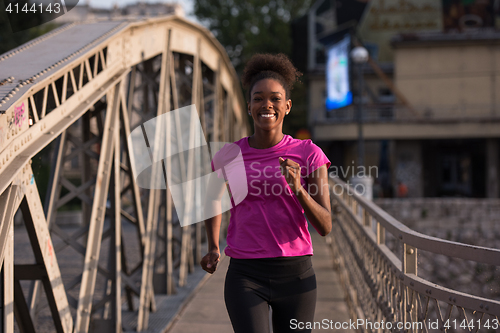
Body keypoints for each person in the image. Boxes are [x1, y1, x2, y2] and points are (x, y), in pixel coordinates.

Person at [200, 53, 332, 333]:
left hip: (296, 276)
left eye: (275, 98)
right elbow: (212, 199)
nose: (267, 105)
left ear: (287, 106)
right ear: (248, 107)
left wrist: (299, 189)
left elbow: (325, 225)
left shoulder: (308, 154)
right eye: (258, 98)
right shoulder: (229, 155)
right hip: (246, 275)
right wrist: (213, 245)